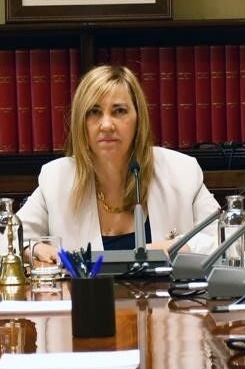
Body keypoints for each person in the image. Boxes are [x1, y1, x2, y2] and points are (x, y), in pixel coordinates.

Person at [17, 64, 218, 257]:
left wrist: (178, 247)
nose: (106, 125)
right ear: (81, 123)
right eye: (94, 112)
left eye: (119, 111)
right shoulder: (56, 178)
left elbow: (227, 239)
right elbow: (5, 242)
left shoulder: (181, 171)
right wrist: (32, 250)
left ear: (139, 119)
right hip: (85, 293)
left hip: (168, 292)